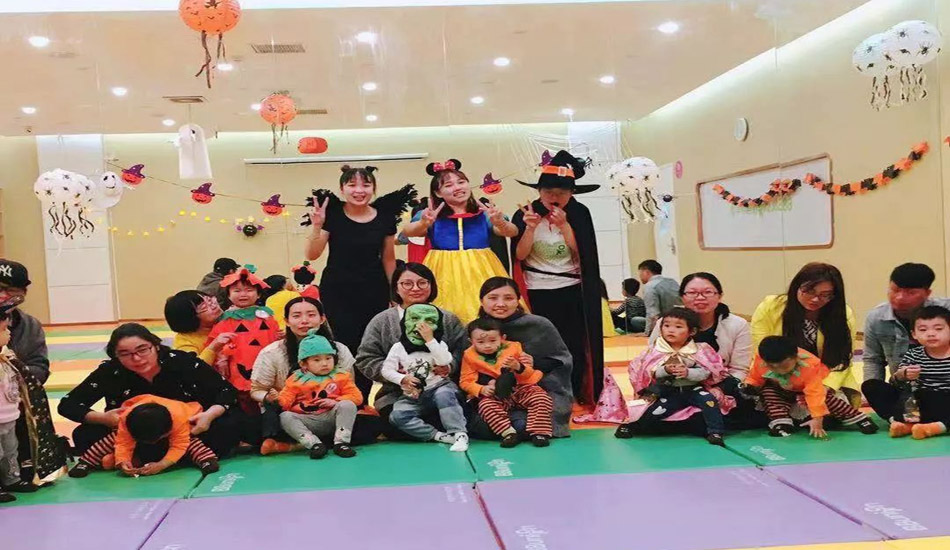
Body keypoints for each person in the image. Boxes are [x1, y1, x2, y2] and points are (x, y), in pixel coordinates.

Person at [303, 165, 415, 400]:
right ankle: (342, 396)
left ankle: (362, 399)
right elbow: (312, 255)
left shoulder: (384, 217)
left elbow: (388, 258)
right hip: (337, 289)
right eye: (352, 185)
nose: (359, 190)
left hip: (373, 288)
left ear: (374, 188)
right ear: (342, 189)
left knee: (369, 343)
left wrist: (395, 293)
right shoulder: (332, 215)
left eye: (366, 185)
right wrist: (317, 226)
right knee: (343, 342)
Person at [58, 323, 241, 459]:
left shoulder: (181, 361)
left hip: (186, 431)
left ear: (156, 346)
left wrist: (208, 416)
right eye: (125, 354)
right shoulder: (110, 372)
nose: (137, 359)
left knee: (230, 425)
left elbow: (227, 391)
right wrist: (103, 418)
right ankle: (179, 457)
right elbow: (68, 404)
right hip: (132, 435)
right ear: (115, 355)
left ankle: (135, 457)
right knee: (83, 434)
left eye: (143, 350)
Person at [510, 150, 605, 406]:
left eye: (562, 192)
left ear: (572, 193)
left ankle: (575, 391)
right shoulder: (525, 214)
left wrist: (564, 226)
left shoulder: (580, 213)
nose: (554, 197)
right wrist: (529, 228)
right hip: (537, 288)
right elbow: (519, 256)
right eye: (548, 191)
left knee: (574, 343)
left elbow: (583, 253)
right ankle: (541, 393)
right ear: (539, 191)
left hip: (572, 287)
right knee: (538, 344)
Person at [251, 296, 379, 453]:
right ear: (286, 321)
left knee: (373, 423)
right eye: (296, 316)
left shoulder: (340, 350)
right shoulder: (272, 353)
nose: (304, 321)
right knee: (254, 427)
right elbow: (256, 390)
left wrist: (336, 402)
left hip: (332, 413)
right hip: (293, 414)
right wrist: (269, 398)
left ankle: (297, 445)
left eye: (311, 315)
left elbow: (349, 387)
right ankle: (315, 442)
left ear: (322, 319)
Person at [355, 263, 467, 436]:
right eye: (407, 283)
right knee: (395, 424)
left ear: (431, 286)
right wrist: (397, 375)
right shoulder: (382, 320)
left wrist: (450, 366)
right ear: (396, 288)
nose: (415, 288)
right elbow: (365, 358)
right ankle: (438, 435)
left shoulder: (448, 319)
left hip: (441, 392)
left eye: (422, 283)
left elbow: (463, 352)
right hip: (396, 394)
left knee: (455, 416)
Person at [400, 159, 518, 324]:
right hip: (442, 269)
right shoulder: (430, 214)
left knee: (488, 314)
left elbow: (512, 231)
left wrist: (500, 222)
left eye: (461, 182)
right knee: (442, 314)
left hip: (481, 267)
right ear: (438, 193)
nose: (457, 187)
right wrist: (424, 223)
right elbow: (408, 231)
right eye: (448, 185)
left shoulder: (484, 212)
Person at [616, 308, 731, 446]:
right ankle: (633, 426)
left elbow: (707, 372)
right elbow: (649, 372)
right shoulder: (655, 350)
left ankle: (715, 432)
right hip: (668, 390)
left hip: (693, 389)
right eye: (666, 325)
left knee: (709, 401)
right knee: (655, 410)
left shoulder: (700, 350)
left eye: (678, 327)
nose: (671, 330)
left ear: (692, 331)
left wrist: (688, 373)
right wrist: (665, 370)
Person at [751, 262, 860, 405]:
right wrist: (787, 384)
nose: (815, 299)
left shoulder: (843, 314)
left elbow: (842, 360)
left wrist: (824, 387)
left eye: (825, 295)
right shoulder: (771, 307)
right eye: (809, 291)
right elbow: (763, 352)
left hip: (824, 381)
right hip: (779, 378)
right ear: (797, 286)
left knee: (830, 407)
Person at [477, 277, 573, 438]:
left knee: (527, 422)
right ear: (482, 301)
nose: (500, 304)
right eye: (493, 298)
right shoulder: (476, 329)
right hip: (495, 396)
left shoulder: (539, 325)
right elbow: (468, 367)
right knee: (477, 421)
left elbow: (562, 361)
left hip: (535, 391)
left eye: (508, 298)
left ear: (518, 300)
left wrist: (534, 363)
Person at [862, 263, 950, 419]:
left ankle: (920, 419)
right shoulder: (876, 318)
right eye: (895, 290)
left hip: (943, 389)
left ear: (927, 293)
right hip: (907, 390)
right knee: (872, 386)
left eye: (911, 292)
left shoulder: (945, 311)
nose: (900, 297)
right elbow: (873, 359)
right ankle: (898, 419)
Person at [744, 336, 877, 438]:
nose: (779, 370)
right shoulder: (761, 359)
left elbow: (815, 394)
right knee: (768, 393)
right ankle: (782, 422)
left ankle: (860, 418)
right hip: (781, 390)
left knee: (828, 399)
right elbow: (756, 375)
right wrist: (751, 384)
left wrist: (817, 419)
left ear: (795, 357)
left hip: (809, 392)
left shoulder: (809, 366)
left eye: (784, 366)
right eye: (772, 367)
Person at [382, 304, 469, 452]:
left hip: (439, 386)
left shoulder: (439, 344)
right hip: (413, 394)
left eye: (429, 321)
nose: (421, 325)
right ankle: (439, 436)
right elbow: (386, 370)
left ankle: (459, 433)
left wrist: (430, 340)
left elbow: (444, 360)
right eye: (415, 319)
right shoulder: (398, 347)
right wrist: (402, 379)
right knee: (397, 416)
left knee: (444, 395)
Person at [69, 395, 220, 478]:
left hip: (182, 422)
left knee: (189, 440)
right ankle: (86, 462)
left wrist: (162, 465)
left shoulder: (179, 420)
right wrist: (123, 461)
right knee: (113, 438)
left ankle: (206, 459)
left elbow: (179, 445)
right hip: (142, 430)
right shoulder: (126, 419)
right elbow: (123, 442)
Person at [461, 317, 553, 448]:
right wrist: (481, 389)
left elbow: (529, 373)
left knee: (541, 398)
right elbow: (466, 380)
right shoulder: (469, 355)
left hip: (522, 387)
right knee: (485, 405)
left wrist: (519, 367)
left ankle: (539, 433)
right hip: (496, 393)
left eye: (493, 340)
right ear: (471, 341)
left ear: (502, 338)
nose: (487, 345)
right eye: (480, 342)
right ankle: (508, 433)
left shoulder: (514, 347)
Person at [205, 265, 282, 419]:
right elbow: (215, 345)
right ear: (228, 295)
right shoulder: (225, 320)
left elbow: (276, 340)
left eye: (249, 290)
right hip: (240, 367)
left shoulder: (266, 317)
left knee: (272, 402)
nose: (243, 294)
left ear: (258, 294)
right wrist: (222, 358)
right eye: (237, 291)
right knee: (245, 405)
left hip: (267, 367)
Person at [866, 305, 950, 440]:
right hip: (921, 404)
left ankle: (938, 427)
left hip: (946, 403)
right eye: (923, 330)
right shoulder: (913, 354)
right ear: (914, 334)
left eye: (938, 329)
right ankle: (899, 423)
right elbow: (897, 383)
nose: (931, 334)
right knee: (871, 386)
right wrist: (903, 374)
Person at [278, 331, 360, 459]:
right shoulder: (295, 379)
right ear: (303, 364)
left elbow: (356, 397)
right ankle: (314, 444)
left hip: (333, 417)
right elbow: (285, 402)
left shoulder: (341, 376)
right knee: (285, 416)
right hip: (308, 419)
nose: (324, 363)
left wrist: (336, 401)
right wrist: (277, 399)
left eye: (328, 358)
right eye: (317, 360)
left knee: (348, 405)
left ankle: (341, 443)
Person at [0, 259, 49, 383]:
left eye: (11, 290)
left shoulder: (30, 326)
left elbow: (40, 370)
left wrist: (9, 374)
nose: (2, 295)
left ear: (23, 293)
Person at [164, 290, 228, 365]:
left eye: (210, 300)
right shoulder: (184, 342)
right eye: (204, 307)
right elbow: (193, 367)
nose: (214, 306)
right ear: (190, 318)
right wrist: (213, 348)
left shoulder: (224, 320)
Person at [638, 260, 681, 334]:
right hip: (680, 321)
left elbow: (653, 314)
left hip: (664, 325)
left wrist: (648, 332)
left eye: (640, 273)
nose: (640, 277)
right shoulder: (672, 282)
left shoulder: (650, 286)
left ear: (646, 272)